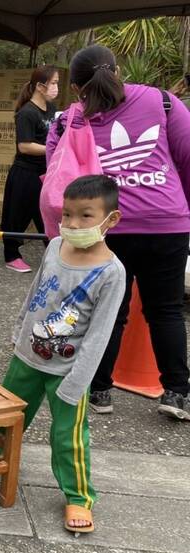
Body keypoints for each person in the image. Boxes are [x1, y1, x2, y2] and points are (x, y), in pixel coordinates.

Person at [47, 45, 190, 420]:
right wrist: (181, 208)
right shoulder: (163, 101)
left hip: (107, 228)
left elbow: (56, 172)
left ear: (76, 86)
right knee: (167, 310)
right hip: (168, 224)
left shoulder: (69, 120)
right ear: (118, 70)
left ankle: (100, 390)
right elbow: (188, 156)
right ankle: (176, 393)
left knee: (110, 312)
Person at [0, 175, 126, 534]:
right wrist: (18, 332)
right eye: (68, 215)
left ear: (111, 219)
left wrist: (78, 383)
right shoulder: (55, 245)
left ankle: (78, 495)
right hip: (28, 354)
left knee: (68, 437)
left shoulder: (111, 272)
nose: (73, 224)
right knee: (9, 411)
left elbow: (99, 335)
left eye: (85, 216)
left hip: (68, 369)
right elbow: (34, 293)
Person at [1, 66, 60, 273]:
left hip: (47, 172)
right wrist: (54, 149)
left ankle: (55, 256)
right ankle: (11, 255)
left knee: (48, 216)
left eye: (57, 83)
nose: (56, 88)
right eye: (53, 83)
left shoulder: (52, 109)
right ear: (40, 86)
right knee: (17, 216)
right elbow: (24, 146)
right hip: (25, 173)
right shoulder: (26, 112)